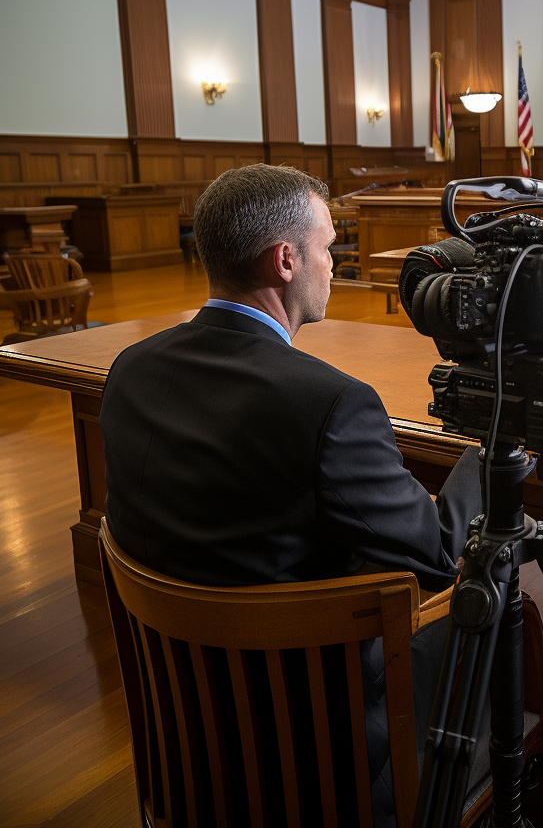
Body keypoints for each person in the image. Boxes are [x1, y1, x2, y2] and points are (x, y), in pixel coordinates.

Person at [99, 163, 486, 825]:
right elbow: (439, 554)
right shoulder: (329, 402)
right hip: (312, 743)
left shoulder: (131, 367)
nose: (333, 264)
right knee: (500, 607)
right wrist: (490, 448)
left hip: (194, 724)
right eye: (329, 248)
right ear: (286, 259)